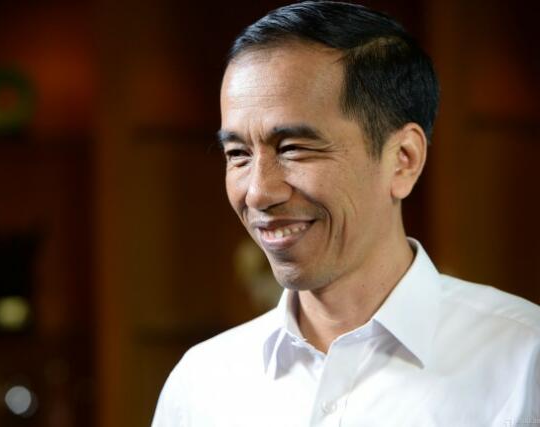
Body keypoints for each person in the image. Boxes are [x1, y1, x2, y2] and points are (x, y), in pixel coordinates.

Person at [152, 1, 540, 425]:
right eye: (238, 154)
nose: (259, 192)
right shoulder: (201, 384)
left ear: (403, 159)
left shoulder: (524, 361)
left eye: (293, 148)